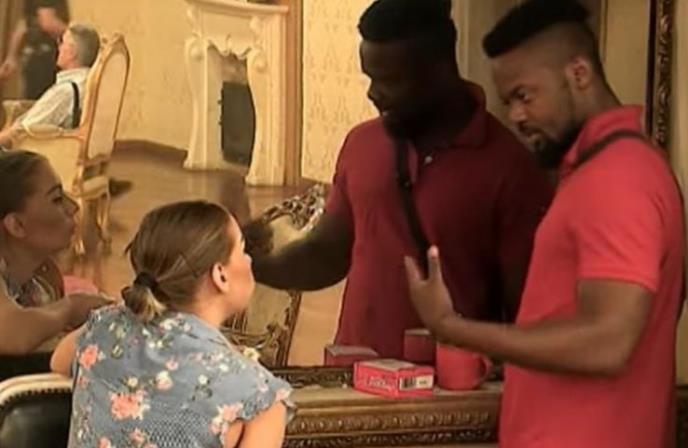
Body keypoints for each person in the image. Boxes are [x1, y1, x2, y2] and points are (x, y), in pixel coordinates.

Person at [404, 1, 685, 447]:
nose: (515, 116)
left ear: (579, 74)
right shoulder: (612, 169)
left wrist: (451, 327)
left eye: (525, 96)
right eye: (507, 101)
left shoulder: (616, 179)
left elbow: (608, 342)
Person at [249, 0, 552, 358]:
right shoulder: (362, 143)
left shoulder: (510, 168)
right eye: (370, 78)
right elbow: (326, 253)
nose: (373, 93)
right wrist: (245, 267)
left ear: (439, 70)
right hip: (349, 376)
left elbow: (526, 314)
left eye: (389, 80)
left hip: (449, 387)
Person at [51, 201, 292, 448]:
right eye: (242, 249)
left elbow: (59, 361)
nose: (249, 259)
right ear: (220, 275)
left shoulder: (105, 327)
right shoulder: (257, 398)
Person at [0, 149, 106, 356]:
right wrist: (71, 308)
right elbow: (10, 333)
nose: (73, 207)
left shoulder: (44, 279)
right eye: (57, 199)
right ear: (17, 225)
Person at [0, 23, 99, 147]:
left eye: (62, 42)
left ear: (72, 53)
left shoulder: (65, 91)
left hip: (30, 151)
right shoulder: (87, 82)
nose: (58, 47)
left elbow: (21, 132)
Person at [0, 0, 70, 99]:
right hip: (45, 60)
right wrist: (75, 36)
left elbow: (24, 24)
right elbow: (48, 22)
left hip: (34, 58)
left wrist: (11, 57)